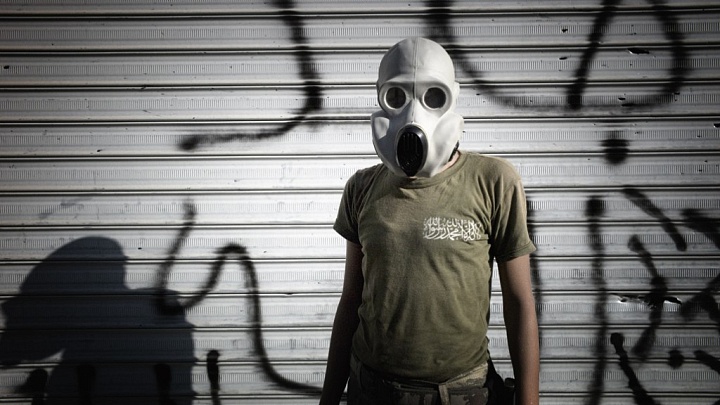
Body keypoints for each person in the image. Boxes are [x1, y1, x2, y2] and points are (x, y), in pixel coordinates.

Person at [319, 37, 539, 405]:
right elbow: (351, 301)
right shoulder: (361, 187)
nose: (413, 115)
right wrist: (328, 399)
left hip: (460, 392)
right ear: (380, 98)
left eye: (433, 97)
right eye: (396, 97)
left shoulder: (494, 181)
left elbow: (519, 303)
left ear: (453, 98)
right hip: (371, 390)